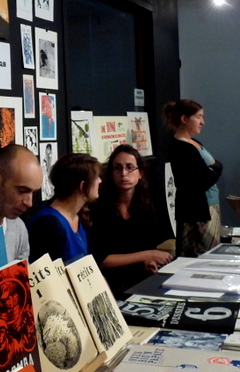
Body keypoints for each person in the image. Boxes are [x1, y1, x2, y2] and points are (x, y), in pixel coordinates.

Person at [91, 145, 173, 296]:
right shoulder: (99, 208)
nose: (123, 174)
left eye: (129, 167)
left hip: (140, 280)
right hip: (109, 284)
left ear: (140, 173)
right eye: (117, 168)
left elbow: (145, 247)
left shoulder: (146, 205)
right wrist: (148, 255)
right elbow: (100, 260)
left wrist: (149, 262)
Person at [163, 99, 223, 257]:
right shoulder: (180, 147)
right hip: (198, 212)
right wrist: (218, 167)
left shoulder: (193, 142)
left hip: (209, 207)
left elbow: (209, 171)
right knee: (204, 256)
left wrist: (214, 168)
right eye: (198, 117)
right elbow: (203, 179)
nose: (202, 122)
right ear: (184, 119)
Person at [27, 153, 101, 264]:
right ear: (83, 186)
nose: (100, 181)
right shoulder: (49, 224)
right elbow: (57, 275)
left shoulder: (80, 216)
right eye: (96, 177)